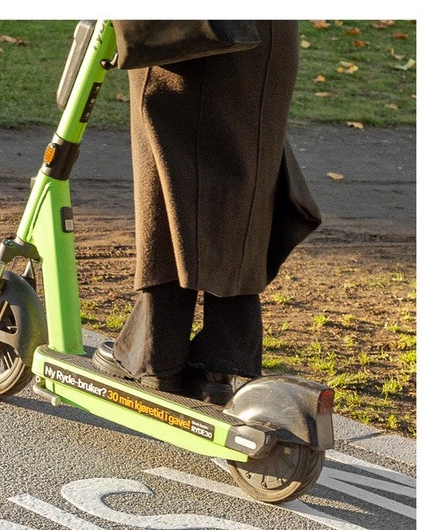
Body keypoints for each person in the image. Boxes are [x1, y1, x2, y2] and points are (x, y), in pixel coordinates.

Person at [93, 20, 322, 403]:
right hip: (266, 39)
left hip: (193, 39)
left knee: (168, 187)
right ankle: (224, 361)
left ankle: (156, 356)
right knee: (239, 193)